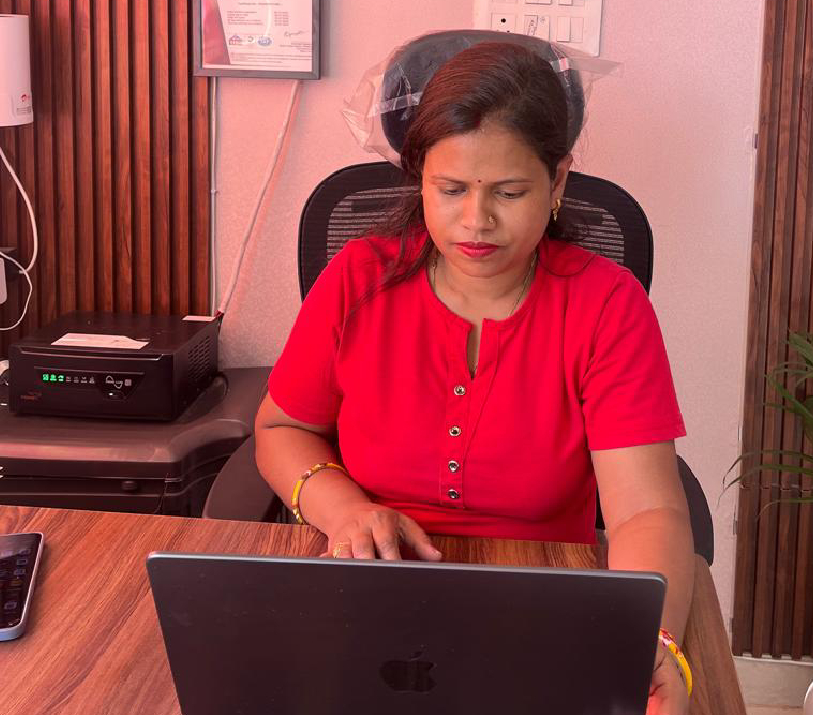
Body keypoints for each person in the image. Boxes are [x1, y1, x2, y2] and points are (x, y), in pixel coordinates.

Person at [255, 40, 694, 714]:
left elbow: (644, 510)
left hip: (543, 610)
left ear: (558, 182)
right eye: (451, 189)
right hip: (369, 592)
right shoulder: (358, 280)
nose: (476, 221)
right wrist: (344, 510)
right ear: (420, 181)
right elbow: (282, 429)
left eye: (509, 193)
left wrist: (646, 639)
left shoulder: (606, 304)